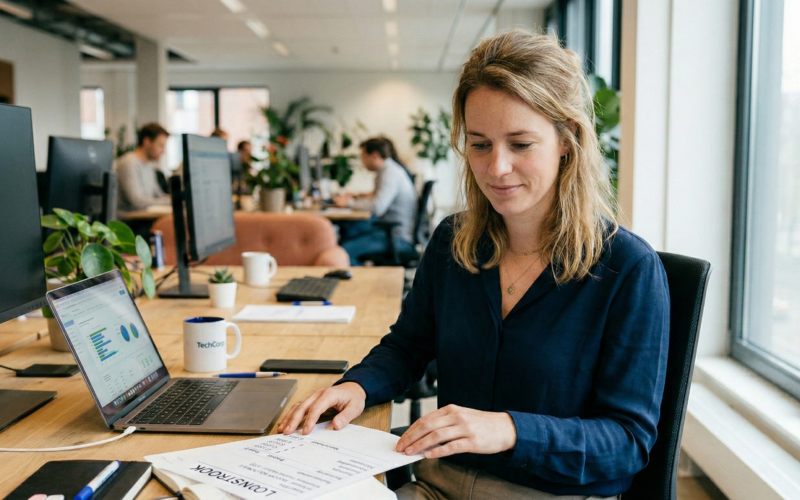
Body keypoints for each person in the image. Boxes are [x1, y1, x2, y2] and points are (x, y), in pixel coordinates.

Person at [278, 29, 670, 500]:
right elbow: (408, 347)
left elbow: (628, 441)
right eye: (480, 144)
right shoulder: (453, 242)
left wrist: (508, 430)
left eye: (520, 144)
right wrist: (359, 386)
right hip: (440, 483)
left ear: (567, 140)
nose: (496, 167)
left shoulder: (627, 269)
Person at [334, 137, 417, 265]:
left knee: (342, 251)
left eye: (363, 157)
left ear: (375, 156)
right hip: (389, 230)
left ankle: (360, 282)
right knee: (349, 229)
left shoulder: (391, 174)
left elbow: (378, 207)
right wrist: (359, 196)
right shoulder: (388, 171)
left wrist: (348, 203)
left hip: (396, 237)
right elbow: (379, 197)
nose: (362, 162)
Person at [115, 122, 171, 213]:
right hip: (130, 221)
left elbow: (158, 195)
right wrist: (170, 202)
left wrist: (173, 200)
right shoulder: (129, 164)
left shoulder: (149, 165)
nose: (163, 151)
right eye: (160, 146)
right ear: (147, 142)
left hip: (144, 218)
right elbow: (138, 202)